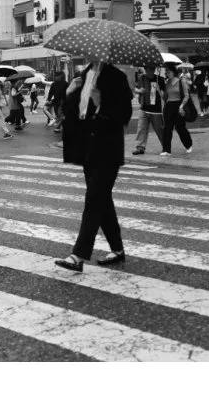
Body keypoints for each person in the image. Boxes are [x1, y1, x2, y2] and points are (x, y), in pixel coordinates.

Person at [54, 57, 134, 272]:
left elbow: (124, 115)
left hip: (108, 150)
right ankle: (117, 249)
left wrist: (101, 106)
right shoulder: (83, 76)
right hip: (87, 149)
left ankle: (78, 255)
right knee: (102, 201)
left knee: (93, 200)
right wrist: (69, 93)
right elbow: (70, 113)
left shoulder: (117, 78)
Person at [158, 61, 194, 156]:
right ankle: (166, 150)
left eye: (168, 71)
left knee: (180, 127)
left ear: (173, 71)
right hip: (168, 106)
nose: (167, 73)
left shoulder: (181, 81)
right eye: (166, 71)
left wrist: (181, 106)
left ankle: (188, 144)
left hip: (178, 106)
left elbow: (186, 95)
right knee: (167, 128)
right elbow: (165, 98)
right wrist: (159, 90)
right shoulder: (167, 82)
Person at [131, 65, 165, 155]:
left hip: (156, 110)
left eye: (152, 70)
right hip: (144, 107)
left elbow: (165, 96)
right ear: (145, 70)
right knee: (141, 128)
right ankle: (140, 147)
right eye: (148, 70)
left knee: (159, 129)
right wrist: (139, 91)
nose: (150, 72)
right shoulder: (141, 78)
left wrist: (159, 90)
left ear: (155, 69)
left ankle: (165, 146)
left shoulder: (160, 79)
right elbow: (134, 88)